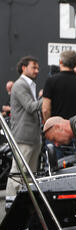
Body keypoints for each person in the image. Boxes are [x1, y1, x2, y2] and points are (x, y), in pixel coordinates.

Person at [6, 56, 43, 197]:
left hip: (31, 137)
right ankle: (10, 203)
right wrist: (46, 98)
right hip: (23, 137)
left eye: (37, 67)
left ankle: (24, 204)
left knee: (28, 176)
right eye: (34, 67)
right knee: (18, 173)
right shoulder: (20, 84)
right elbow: (30, 106)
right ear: (24, 67)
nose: (37, 70)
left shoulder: (27, 84)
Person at [42, 50, 76, 123]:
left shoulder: (51, 81)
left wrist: (49, 124)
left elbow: (45, 109)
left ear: (60, 62)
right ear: (75, 64)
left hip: (56, 128)